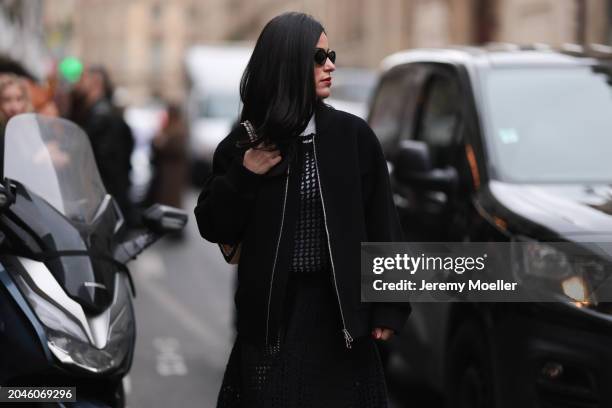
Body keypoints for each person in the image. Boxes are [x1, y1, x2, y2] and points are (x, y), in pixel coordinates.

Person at [195, 12, 411, 407]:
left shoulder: (353, 137)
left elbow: (383, 224)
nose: (330, 64)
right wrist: (246, 174)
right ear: (287, 64)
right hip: (272, 319)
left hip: (341, 318)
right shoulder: (244, 144)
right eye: (317, 57)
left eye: (330, 54)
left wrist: (390, 306)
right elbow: (213, 224)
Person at [70, 65, 135, 225]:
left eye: (82, 78)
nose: (77, 83)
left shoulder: (101, 115)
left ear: (95, 83)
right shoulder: (91, 110)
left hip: (101, 196)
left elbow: (105, 160)